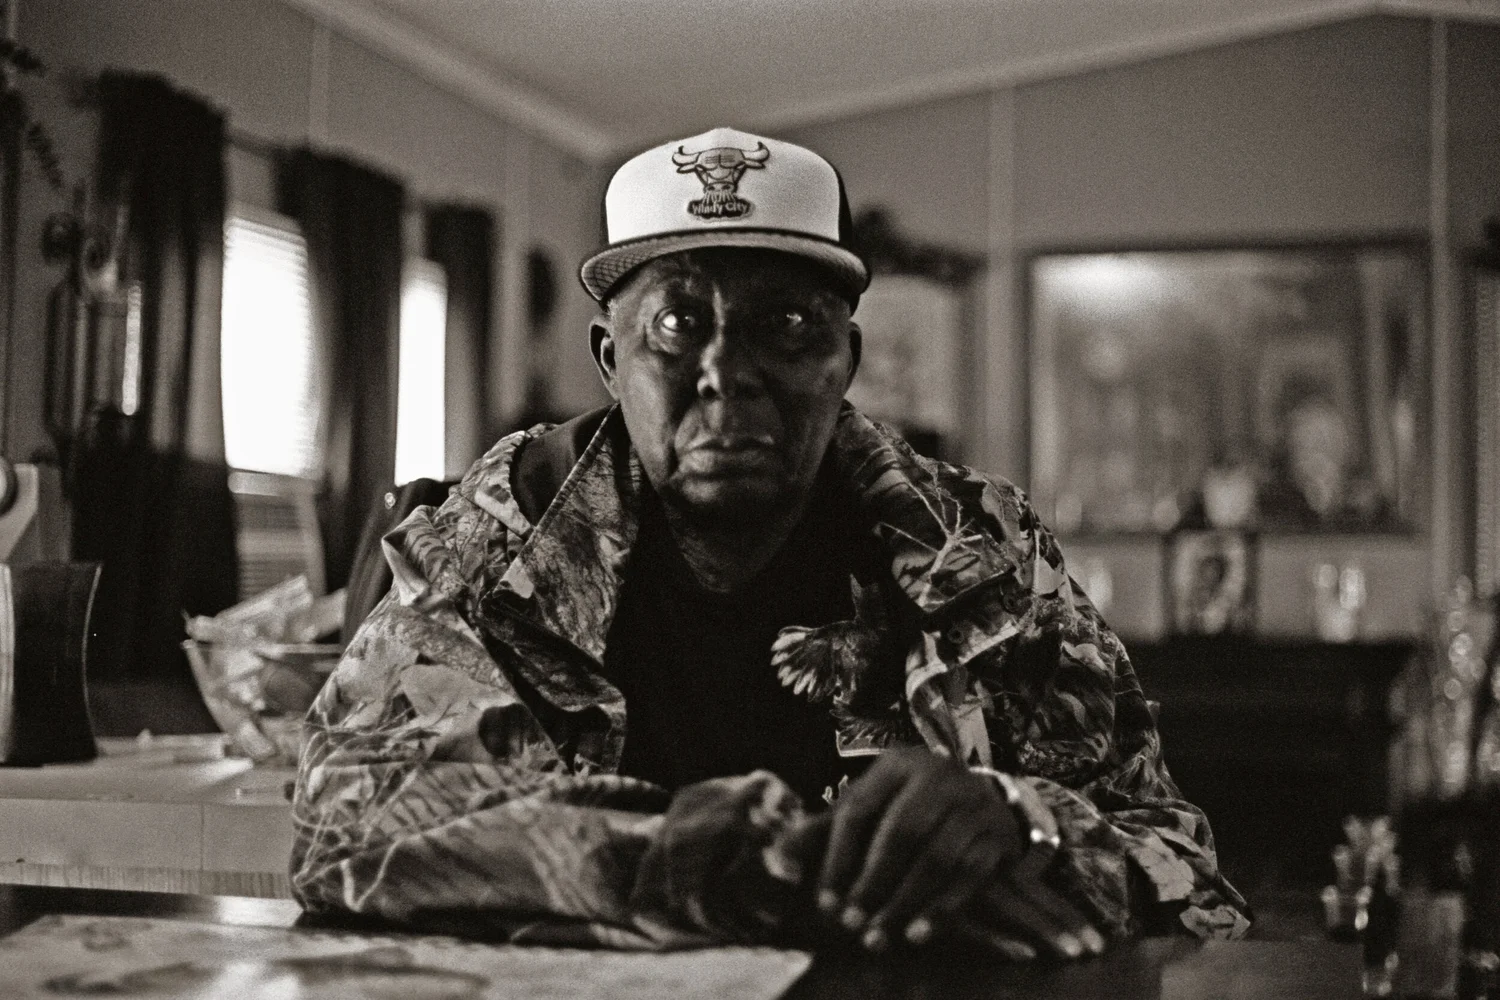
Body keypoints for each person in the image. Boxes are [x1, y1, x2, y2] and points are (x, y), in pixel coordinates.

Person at [290, 128, 1248, 956]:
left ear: (846, 359)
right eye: (678, 323)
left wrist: (1026, 827)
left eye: (787, 325)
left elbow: (1189, 876)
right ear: (611, 360)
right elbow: (348, 826)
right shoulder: (501, 532)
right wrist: (741, 861)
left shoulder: (984, 549)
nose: (727, 373)